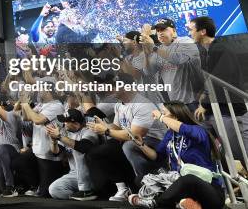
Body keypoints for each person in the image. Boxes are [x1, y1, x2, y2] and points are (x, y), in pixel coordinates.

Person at [128, 101, 224, 209]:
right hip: (179, 183)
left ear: (176, 116)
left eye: (164, 113)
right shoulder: (170, 134)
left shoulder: (198, 130)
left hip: (207, 190)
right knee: (142, 178)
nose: (160, 117)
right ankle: (185, 203)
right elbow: (157, 156)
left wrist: (161, 117)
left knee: (188, 179)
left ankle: (155, 203)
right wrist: (141, 145)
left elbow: (184, 129)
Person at [87, 73, 167, 201]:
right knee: (98, 152)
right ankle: (124, 188)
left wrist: (106, 131)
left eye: (114, 86)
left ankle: (147, 183)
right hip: (136, 140)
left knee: (128, 145)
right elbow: (118, 129)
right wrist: (105, 125)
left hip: (156, 143)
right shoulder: (119, 104)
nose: (110, 89)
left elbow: (134, 135)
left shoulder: (142, 104)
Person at [189, 16, 248, 159]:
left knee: (242, 153)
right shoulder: (206, 51)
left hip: (231, 112)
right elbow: (209, 81)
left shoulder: (220, 49)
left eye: (191, 30)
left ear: (202, 31)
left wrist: (204, 104)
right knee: (233, 154)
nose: (190, 33)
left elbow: (219, 81)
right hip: (219, 110)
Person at [140, 19, 202, 109]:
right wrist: (146, 54)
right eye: (158, 31)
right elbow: (148, 72)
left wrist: (153, 48)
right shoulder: (159, 49)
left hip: (193, 101)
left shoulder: (185, 41)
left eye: (164, 29)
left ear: (174, 30)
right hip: (175, 104)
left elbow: (178, 59)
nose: (160, 33)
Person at [20, 89, 65, 197]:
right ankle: (35, 185)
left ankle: (42, 187)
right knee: (19, 162)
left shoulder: (56, 106)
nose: (39, 91)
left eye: (42, 89)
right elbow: (27, 117)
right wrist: (23, 101)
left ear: (49, 92)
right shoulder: (41, 105)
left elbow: (37, 120)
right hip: (38, 148)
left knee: (45, 194)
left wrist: (26, 104)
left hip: (50, 150)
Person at [46, 109, 100, 201]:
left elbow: (83, 147)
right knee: (54, 189)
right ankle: (80, 197)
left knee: (77, 150)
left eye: (66, 121)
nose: (64, 124)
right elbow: (56, 153)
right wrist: (53, 140)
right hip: (75, 174)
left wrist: (59, 137)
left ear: (76, 123)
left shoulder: (89, 132)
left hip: (92, 174)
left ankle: (86, 191)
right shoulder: (67, 134)